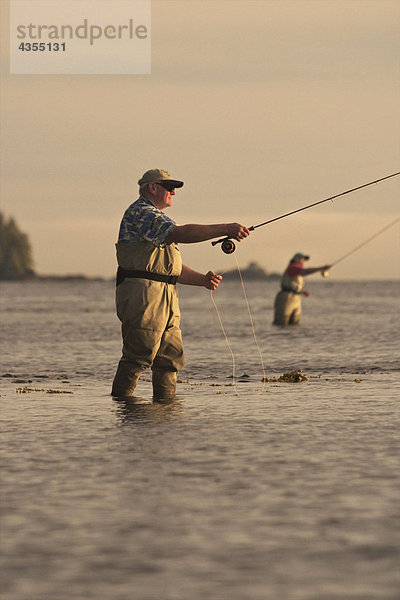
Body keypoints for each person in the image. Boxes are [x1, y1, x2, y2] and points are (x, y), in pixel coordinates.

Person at [112, 168, 250, 400]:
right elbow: (181, 233)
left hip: (165, 296)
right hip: (143, 296)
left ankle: (165, 416)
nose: (173, 192)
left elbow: (167, 270)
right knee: (139, 354)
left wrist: (202, 281)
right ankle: (122, 409)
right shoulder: (142, 213)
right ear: (152, 188)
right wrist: (226, 228)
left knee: (169, 358)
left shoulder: (157, 218)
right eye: (169, 187)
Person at [273, 253, 331, 326]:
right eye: (301, 258)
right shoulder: (292, 267)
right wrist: (321, 268)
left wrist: (302, 292)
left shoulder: (298, 270)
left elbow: (293, 284)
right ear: (295, 259)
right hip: (286, 298)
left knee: (295, 324)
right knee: (281, 322)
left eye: (304, 259)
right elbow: (304, 271)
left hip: (296, 298)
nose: (303, 261)